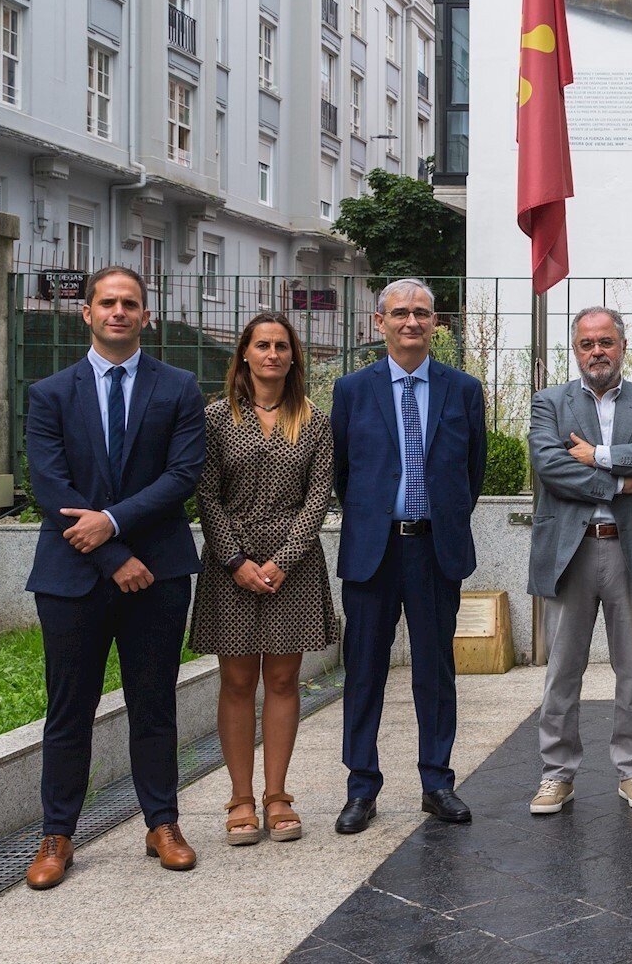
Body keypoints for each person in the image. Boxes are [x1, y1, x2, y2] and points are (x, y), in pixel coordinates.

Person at [22, 266, 207, 889]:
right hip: (72, 576)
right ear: (87, 313)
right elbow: (49, 485)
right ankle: (57, 835)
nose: (118, 312)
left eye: (130, 303)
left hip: (158, 572)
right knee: (68, 709)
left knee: (154, 704)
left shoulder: (179, 388)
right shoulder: (50, 393)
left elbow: (182, 476)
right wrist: (111, 554)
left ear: (146, 315)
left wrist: (111, 523)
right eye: (107, 302)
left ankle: (162, 824)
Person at [331, 278, 487, 833]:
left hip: (435, 550)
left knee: (435, 670)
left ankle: (437, 782)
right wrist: (377, 517)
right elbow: (343, 471)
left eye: (422, 312)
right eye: (400, 313)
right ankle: (361, 787)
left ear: (435, 323)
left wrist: (440, 519)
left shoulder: (462, 389)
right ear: (380, 323)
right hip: (373, 551)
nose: (411, 322)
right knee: (364, 671)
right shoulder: (352, 390)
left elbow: (471, 471)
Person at [189, 313, 336, 846]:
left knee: (282, 679)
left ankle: (277, 796)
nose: (272, 354)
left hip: (291, 567)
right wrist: (235, 560)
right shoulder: (215, 418)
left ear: (294, 357)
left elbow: (319, 496)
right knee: (235, 681)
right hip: (231, 564)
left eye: (281, 346)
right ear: (245, 354)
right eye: (262, 345)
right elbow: (205, 493)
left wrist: (282, 560)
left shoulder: (314, 421)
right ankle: (240, 799)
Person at [526, 306, 632, 813]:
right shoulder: (550, 402)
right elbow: (549, 466)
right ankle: (556, 774)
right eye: (587, 344)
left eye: (606, 342)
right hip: (569, 551)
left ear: (622, 346)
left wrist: (598, 457)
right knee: (562, 672)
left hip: (630, 550)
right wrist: (616, 484)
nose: (597, 352)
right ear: (576, 350)